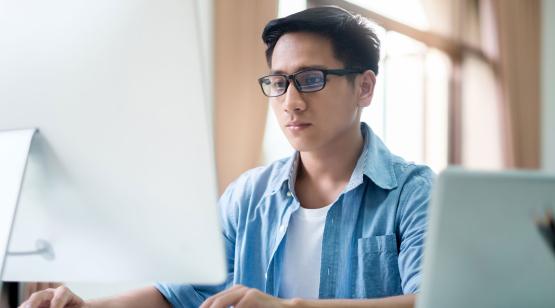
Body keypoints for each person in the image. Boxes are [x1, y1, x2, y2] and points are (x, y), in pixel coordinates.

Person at [20, 6, 433, 308]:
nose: (291, 102)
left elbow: (434, 301)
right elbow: (176, 295)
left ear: (364, 87)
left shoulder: (413, 192)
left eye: (311, 80)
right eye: (278, 81)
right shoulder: (248, 196)